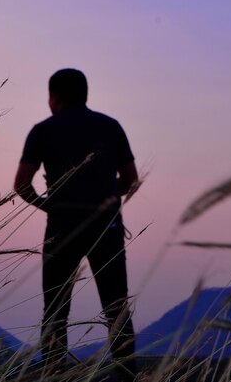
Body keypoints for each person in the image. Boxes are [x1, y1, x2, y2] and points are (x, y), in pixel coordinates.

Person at [14, 68, 139, 380]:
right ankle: (125, 377)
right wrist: (109, 196)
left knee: (55, 312)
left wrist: (50, 206)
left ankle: (55, 375)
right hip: (106, 229)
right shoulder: (111, 127)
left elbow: (22, 184)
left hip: (61, 229)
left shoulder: (43, 131)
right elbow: (131, 179)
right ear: (86, 95)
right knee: (116, 309)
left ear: (53, 97)